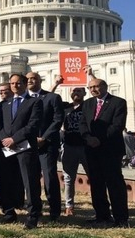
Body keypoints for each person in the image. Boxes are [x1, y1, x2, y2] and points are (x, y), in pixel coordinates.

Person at [79, 78, 129, 228]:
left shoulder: (118, 102)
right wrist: (87, 138)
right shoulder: (87, 103)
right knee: (96, 184)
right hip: (91, 149)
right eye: (90, 87)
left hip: (110, 149)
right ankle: (102, 215)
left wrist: (99, 139)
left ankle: (121, 218)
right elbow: (82, 123)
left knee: (114, 184)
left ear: (105, 87)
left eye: (96, 86)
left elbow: (118, 125)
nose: (93, 89)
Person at [0, 73, 43, 230]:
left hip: (25, 148)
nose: (15, 86)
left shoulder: (34, 102)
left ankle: (33, 215)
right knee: (5, 181)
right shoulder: (5, 104)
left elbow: (33, 125)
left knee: (29, 182)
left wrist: (14, 139)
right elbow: (0, 126)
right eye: (12, 83)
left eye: (18, 83)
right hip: (7, 149)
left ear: (24, 83)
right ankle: (9, 212)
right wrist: (5, 140)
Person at [26, 71, 64, 221]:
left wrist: (44, 138)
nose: (30, 81)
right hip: (28, 145)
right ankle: (35, 209)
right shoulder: (23, 99)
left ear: (40, 81)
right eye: (28, 79)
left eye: (33, 78)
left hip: (47, 144)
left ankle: (54, 211)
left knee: (49, 178)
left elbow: (57, 119)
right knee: (31, 179)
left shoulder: (52, 97)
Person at [0, 83, 24, 215]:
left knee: (18, 175)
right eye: (0, 91)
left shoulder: (19, 104)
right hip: (1, 145)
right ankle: (3, 200)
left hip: (18, 143)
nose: (2, 93)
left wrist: (15, 139)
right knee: (2, 176)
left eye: (5, 91)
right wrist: (5, 140)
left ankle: (18, 200)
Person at [60, 86, 89, 216]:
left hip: (85, 146)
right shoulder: (66, 107)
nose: (76, 93)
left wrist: (90, 75)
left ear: (84, 93)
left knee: (93, 176)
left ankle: (99, 205)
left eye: (79, 91)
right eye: (74, 91)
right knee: (68, 178)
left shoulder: (89, 106)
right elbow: (47, 98)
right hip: (69, 145)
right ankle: (69, 206)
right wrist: (56, 83)